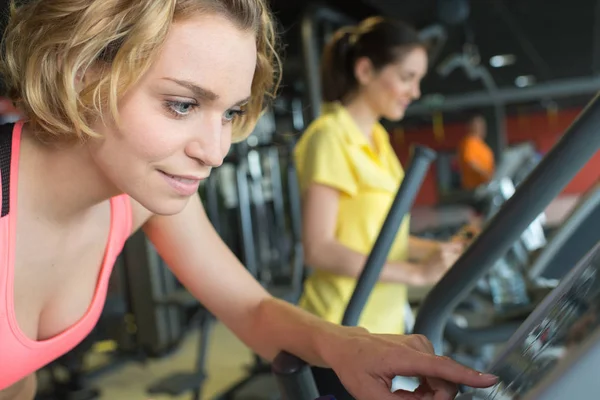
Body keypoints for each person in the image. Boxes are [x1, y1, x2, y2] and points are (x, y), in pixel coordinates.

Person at [0, 1, 497, 399]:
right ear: (80, 67)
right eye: (182, 105)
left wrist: (349, 346)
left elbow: (251, 308)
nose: (215, 152)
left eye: (230, 112)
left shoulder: (135, 198)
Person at [294, 17, 464, 337]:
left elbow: (383, 239)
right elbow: (319, 248)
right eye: (406, 77)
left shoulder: (380, 140)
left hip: (382, 325)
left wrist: (434, 250)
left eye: (418, 80)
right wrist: (414, 274)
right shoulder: (329, 136)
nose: (415, 92)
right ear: (365, 71)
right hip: (340, 327)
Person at [457, 114, 495, 191]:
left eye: (483, 125)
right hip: (474, 189)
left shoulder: (484, 146)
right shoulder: (469, 142)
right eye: (478, 125)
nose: (482, 128)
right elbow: (470, 162)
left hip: (487, 187)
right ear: (471, 126)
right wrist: (486, 175)